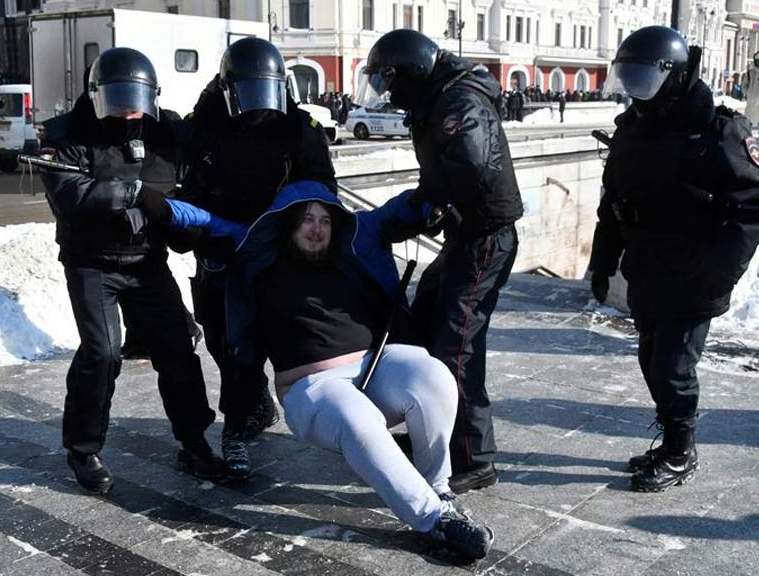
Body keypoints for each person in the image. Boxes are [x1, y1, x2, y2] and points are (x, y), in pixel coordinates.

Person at [141, 180, 494, 560]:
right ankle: (436, 519)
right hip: (312, 387)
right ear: (288, 223)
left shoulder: (354, 243)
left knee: (433, 375)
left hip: (377, 366)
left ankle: (438, 486)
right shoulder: (256, 253)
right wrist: (144, 197)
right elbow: (200, 219)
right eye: (307, 219)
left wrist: (432, 201)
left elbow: (398, 210)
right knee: (356, 416)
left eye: (325, 220)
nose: (316, 228)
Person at [590, 26, 759, 492]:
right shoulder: (633, 129)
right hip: (648, 268)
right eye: (628, 79)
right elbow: (613, 204)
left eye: (642, 80)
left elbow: (754, 209)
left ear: (671, 78)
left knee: (673, 367)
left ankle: (680, 452)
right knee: (651, 358)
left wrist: (718, 275)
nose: (635, 91)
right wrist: (602, 263)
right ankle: (672, 438)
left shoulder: (718, 131)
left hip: (695, 272)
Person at [37, 47, 224, 494]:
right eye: (118, 101)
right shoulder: (67, 134)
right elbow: (70, 195)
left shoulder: (168, 131)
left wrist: (176, 216)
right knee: (102, 353)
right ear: (96, 95)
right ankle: (83, 449)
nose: (128, 112)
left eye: (135, 102)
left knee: (177, 347)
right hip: (92, 263)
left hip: (146, 262)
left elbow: (199, 161)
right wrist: (134, 196)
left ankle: (194, 441)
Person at [358, 29, 524, 494]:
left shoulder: (459, 102)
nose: (389, 93)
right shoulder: (437, 97)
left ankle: (472, 457)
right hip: (466, 234)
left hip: (485, 237)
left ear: (409, 74)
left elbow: (470, 168)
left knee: (456, 344)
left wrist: (431, 203)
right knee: (427, 322)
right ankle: (436, 431)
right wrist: (425, 205)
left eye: (390, 82)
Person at [173, 37, 336, 480]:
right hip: (220, 250)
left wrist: (294, 228)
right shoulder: (204, 127)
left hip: (276, 250)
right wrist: (194, 227)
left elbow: (322, 190)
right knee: (222, 339)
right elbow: (188, 186)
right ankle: (253, 406)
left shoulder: (299, 130)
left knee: (270, 340)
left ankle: (240, 424)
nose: (259, 107)